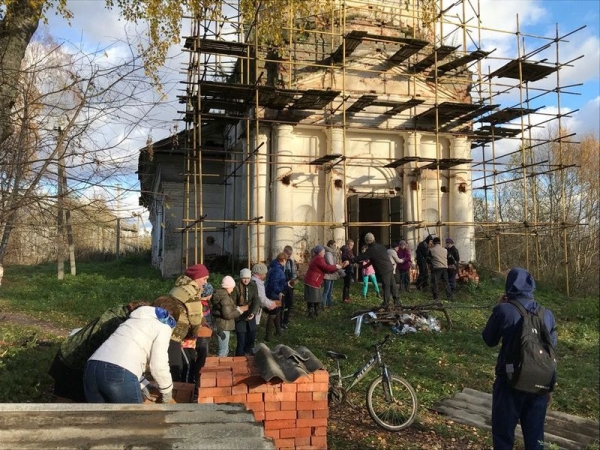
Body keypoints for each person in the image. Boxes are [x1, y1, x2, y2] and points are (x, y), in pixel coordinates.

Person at [482, 268, 557, 450]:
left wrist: (498, 307)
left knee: (503, 435)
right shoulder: (546, 314)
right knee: (535, 437)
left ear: (509, 286)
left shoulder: (505, 310)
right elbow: (551, 350)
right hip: (539, 382)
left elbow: (489, 339)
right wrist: (550, 387)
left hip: (509, 381)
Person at [83, 296, 180, 403]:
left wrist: (145, 385)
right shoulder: (163, 326)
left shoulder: (133, 320)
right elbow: (158, 365)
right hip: (118, 374)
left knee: (100, 418)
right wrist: (167, 394)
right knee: (134, 418)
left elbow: (123, 359)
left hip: (91, 369)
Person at [48, 301, 148, 402]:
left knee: (64, 403)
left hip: (66, 354)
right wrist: (144, 384)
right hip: (75, 364)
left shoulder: (115, 314)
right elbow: (118, 361)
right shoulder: (119, 325)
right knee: (74, 407)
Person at [167, 264, 209, 381]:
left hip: (169, 328)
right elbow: (195, 317)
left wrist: (203, 321)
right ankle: (183, 392)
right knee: (184, 365)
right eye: (204, 279)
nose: (205, 282)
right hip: (178, 333)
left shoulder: (179, 287)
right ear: (196, 278)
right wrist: (194, 333)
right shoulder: (191, 291)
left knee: (176, 363)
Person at [355, 233, 400, 309]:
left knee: (386, 286)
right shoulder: (381, 246)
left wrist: (351, 260)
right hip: (389, 267)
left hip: (384, 270)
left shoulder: (371, 249)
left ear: (367, 241)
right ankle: (397, 301)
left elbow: (361, 257)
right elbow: (375, 258)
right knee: (393, 285)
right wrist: (367, 265)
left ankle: (386, 303)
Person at [304, 245, 348, 318]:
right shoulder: (319, 258)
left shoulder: (317, 258)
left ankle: (314, 312)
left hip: (313, 280)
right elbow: (326, 267)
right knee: (313, 297)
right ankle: (312, 313)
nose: (324, 253)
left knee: (314, 297)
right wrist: (337, 267)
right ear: (320, 252)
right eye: (323, 251)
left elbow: (326, 269)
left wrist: (336, 268)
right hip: (313, 280)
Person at [210, 275, 248, 357]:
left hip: (219, 324)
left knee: (222, 349)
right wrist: (240, 310)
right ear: (228, 286)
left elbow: (225, 309)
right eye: (232, 287)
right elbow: (227, 314)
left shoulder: (219, 294)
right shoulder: (225, 297)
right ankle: (220, 368)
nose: (233, 289)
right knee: (223, 351)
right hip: (224, 326)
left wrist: (236, 308)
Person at [232, 268, 261, 356]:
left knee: (251, 339)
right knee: (241, 341)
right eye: (244, 278)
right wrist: (239, 310)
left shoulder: (253, 285)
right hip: (240, 316)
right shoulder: (236, 286)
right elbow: (232, 302)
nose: (246, 280)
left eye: (248, 278)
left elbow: (256, 299)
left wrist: (253, 312)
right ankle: (239, 359)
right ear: (241, 278)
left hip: (250, 314)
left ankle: (249, 357)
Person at [251, 263, 280, 331]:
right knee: (251, 327)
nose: (265, 275)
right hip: (254, 308)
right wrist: (272, 304)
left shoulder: (252, 279)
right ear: (259, 274)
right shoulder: (258, 283)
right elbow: (261, 299)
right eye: (264, 273)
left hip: (252, 307)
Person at [265, 253, 287, 341]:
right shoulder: (277, 270)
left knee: (277, 311)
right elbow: (274, 283)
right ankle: (268, 335)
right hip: (274, 294)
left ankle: (278, 331)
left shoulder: (274, 267)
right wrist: (279, 292)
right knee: (273, 313)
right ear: (283, 260)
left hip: (272, 292)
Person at [428, 237, 452, 302]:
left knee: (435, 283)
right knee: (446, 283)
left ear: (433, 242)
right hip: (444, 268)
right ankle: (449, 296)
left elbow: (428, 259)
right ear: (440, 242)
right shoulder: (445, 250)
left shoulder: (431, 250)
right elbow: (450, 258)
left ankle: (436, 297)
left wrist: (430, 266)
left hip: (436, 268)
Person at [281, 245, 298, 330]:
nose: (289, 256)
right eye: (288, 254)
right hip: (282, 286)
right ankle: (280, 322)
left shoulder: (291, 262)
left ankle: (286, 319)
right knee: (281, 304)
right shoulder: (279, 261)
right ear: (284, 252)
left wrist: (293, 279)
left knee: (289, 303)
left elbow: (293, 273)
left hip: (289, 286)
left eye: (290, 254)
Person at [322, 240, 340, 309]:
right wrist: (337, 266)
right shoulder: (328, 253)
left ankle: (330, 304)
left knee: (330, 290)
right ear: (330, 245)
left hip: (332, 274)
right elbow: (331, 264)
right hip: (328, 274)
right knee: (326, 290)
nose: (335, 247)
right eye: (334, 245)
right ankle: (323, 304)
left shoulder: (333, 253)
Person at [340, 239, 355, 303]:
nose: (352, 247)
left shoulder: (346, 250)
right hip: (347, 268)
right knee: (347, 284)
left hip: (348, 267)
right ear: (348, 245)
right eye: (351, 245)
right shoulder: (347, 251)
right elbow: (352, 258)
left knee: (347, 284)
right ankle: (345, 298)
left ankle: (347, 297)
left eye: (353, 245)